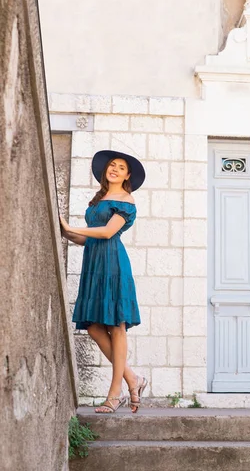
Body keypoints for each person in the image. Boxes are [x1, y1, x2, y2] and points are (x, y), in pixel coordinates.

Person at [60, 149, 146, 414]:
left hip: (113, 265)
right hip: (94, 265)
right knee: (95, 328)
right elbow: (90, 238)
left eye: (121, 167)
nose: (115, 169)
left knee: (116, 327)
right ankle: (133, 378)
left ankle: (114, 394)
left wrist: (72, 227)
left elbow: (108, 232)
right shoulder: (98, 200)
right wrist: (66, 233)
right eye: (112, 165)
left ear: (127, 175)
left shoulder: (126, 200)